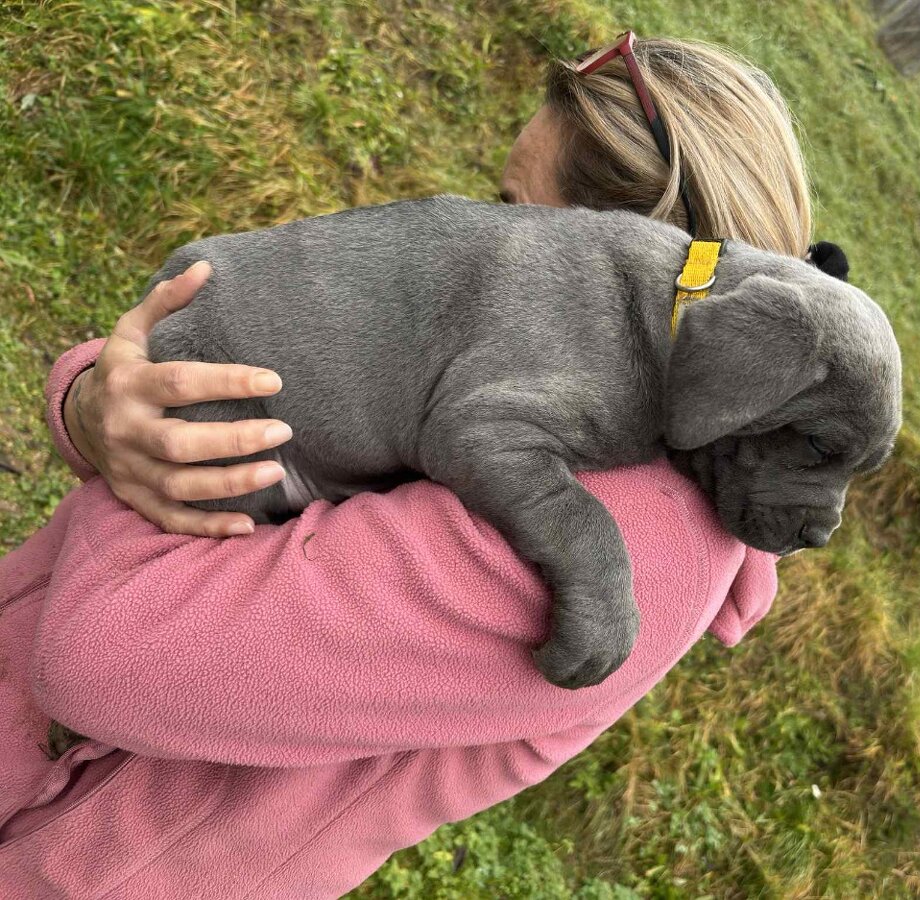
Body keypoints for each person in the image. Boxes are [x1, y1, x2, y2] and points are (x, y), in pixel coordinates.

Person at [0, 35, 819, 896]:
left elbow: (105, 655)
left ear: (628, 270)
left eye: (513, 214)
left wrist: (158, 434)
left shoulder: (618, 543)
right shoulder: (537, 364)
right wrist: (101, 404)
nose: (475, 239)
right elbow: (238, 380)